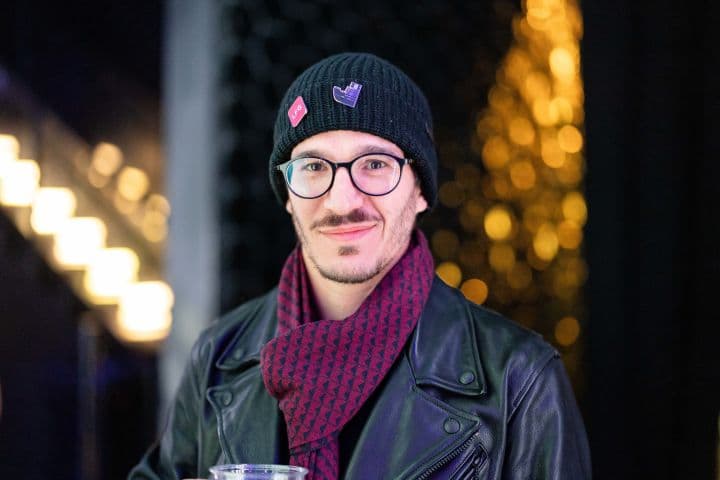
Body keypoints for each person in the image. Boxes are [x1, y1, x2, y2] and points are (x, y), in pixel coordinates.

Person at [129, 52, 591, 480]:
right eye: (313, 167)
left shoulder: (520, 379)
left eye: (374, 164)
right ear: (287, 195)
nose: (342, 199)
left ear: (421, 190)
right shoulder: (219, 356)